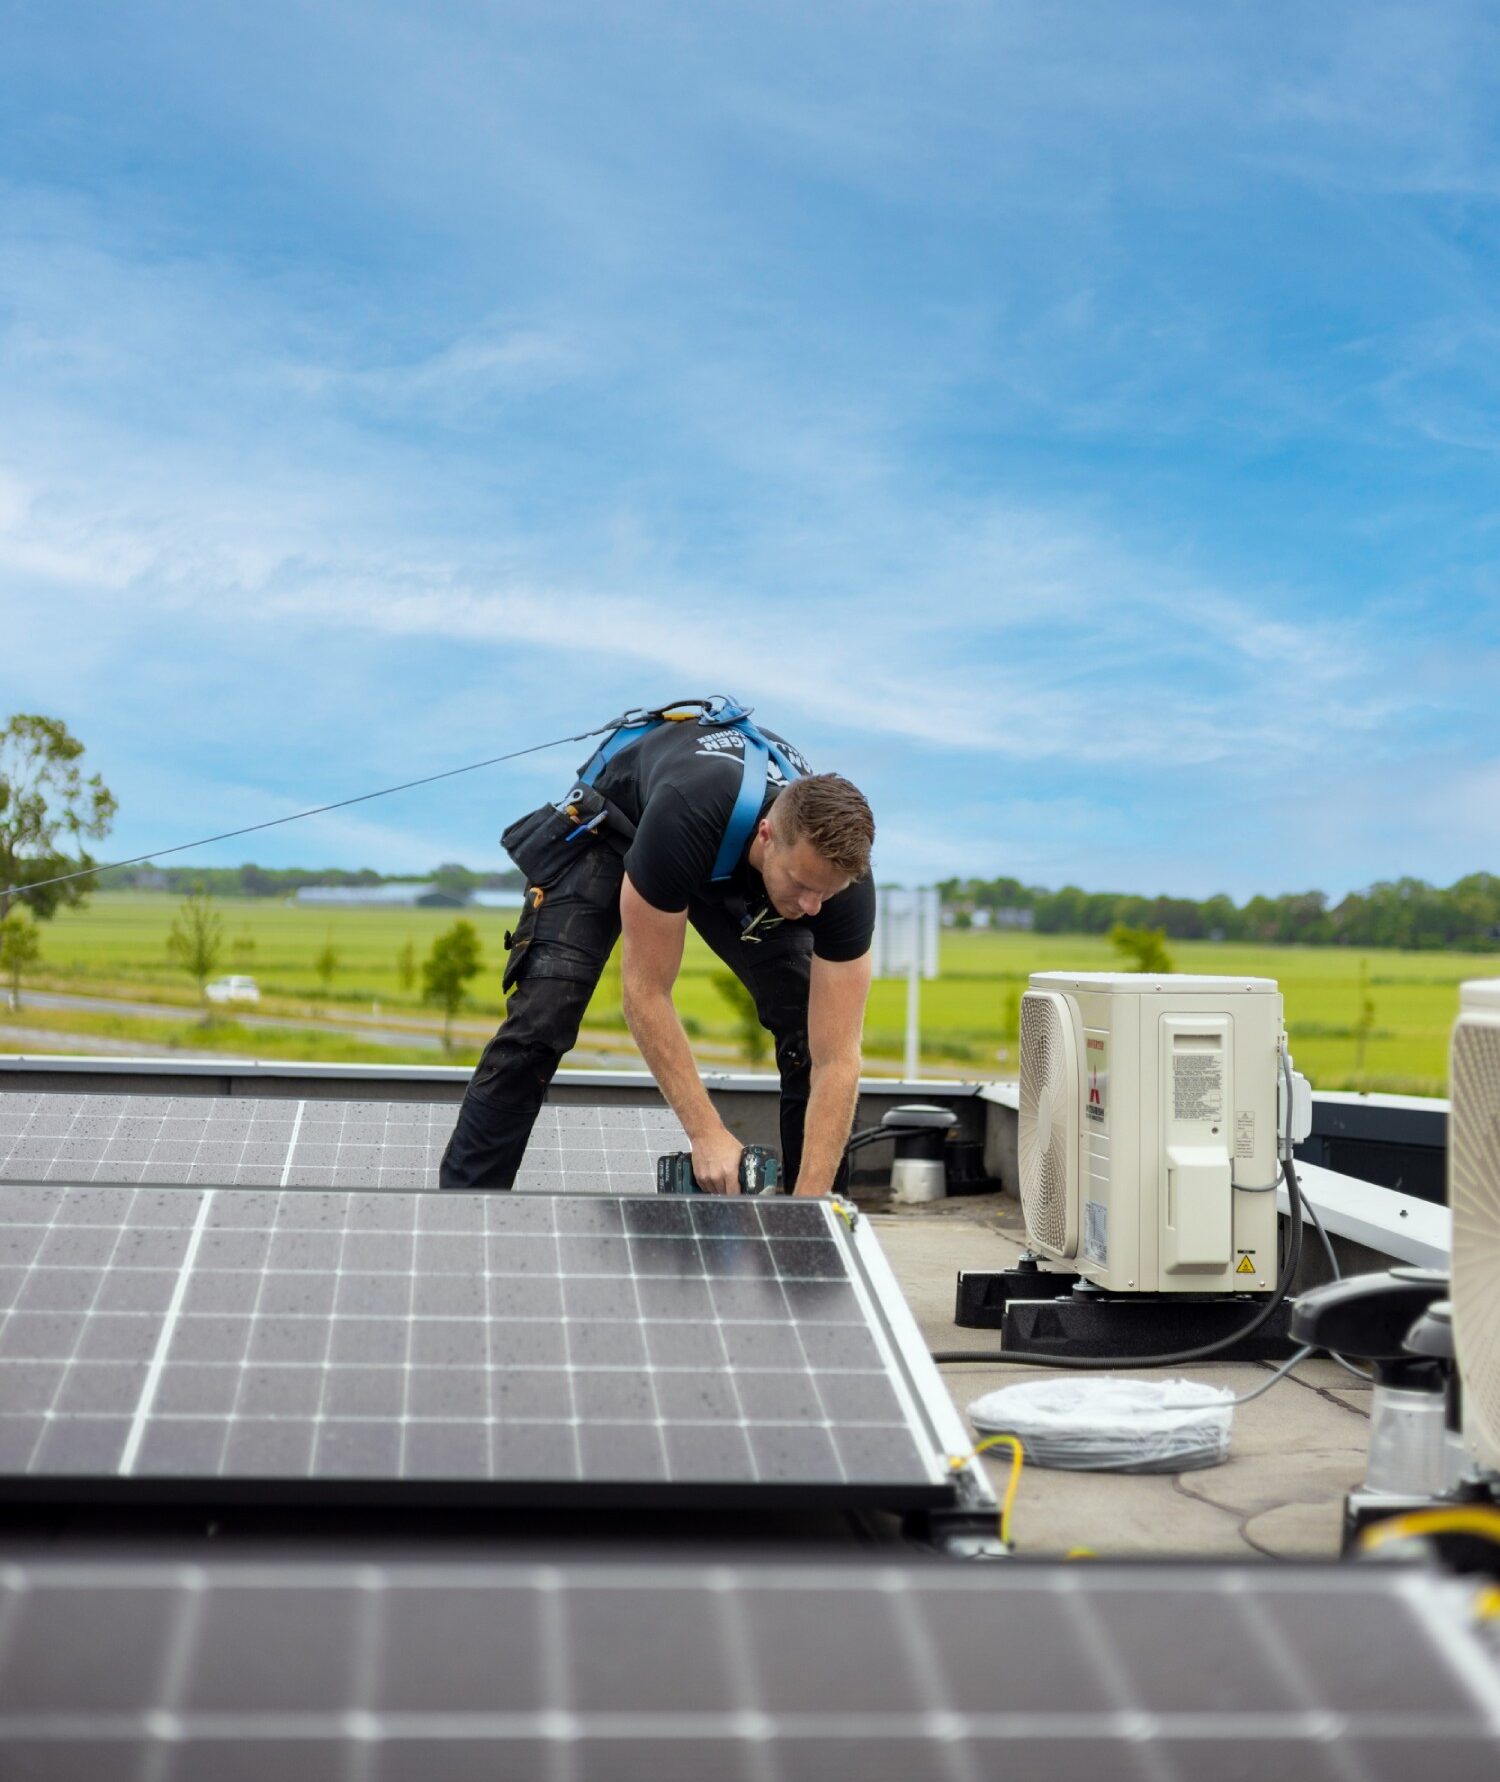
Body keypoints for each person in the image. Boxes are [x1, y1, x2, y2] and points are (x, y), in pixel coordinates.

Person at [440, 709, 876, 1196]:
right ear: (768, 836)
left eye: (826, 893)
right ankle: (464, 1205)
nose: (813, 906)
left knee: (803, 1027)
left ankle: (810, 1225)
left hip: (732, 855)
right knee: (544, 1017)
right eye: (801, 885)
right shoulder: (687, 812)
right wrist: (706, 1133)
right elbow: (646, 993)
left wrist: (813, 1210)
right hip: (618, 827)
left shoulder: (838, 883)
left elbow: (837, 1058)